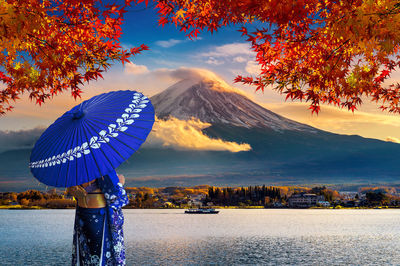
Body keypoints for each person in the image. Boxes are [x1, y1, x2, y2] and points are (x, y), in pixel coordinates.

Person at [66, 170, 129, 266]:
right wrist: (120, 183)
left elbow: (73, 191)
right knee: (101, 252)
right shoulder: (100, 166)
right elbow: (114, 195)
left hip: (83, 214)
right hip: (99, 215)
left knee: (87, 252)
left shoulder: (75, 167)